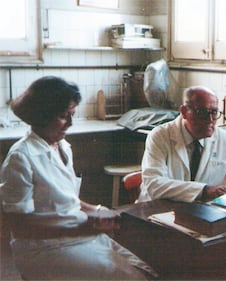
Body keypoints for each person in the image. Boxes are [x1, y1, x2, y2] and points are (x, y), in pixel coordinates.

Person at [0, 76, 157, 280]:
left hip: (77, 235)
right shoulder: (21, 157)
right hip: (43, 250)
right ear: (42, 115)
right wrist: (82, 227)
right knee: (132, 279)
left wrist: (99, 211)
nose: (71, 123)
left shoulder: (63, 147)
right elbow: (19, 225)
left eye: (73, 114)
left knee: (148, 271)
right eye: (64, 116)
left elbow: (68, 201)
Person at [138, 85, 226, 202]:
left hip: (197, 212)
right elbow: (153, 184)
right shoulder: (160, 136)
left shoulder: (223, 139)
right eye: (201, 113)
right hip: (155, 210)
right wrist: (203, 191)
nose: (210, 120)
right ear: (184, 112)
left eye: (214, 113)